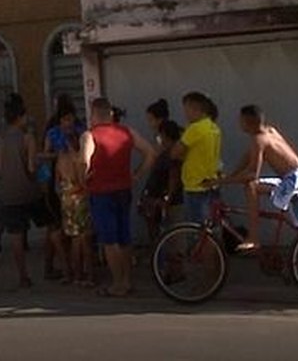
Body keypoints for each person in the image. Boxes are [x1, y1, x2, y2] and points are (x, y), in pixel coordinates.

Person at [207, 105, 298, 253]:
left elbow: (252, 174)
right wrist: (231, 175)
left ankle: (253, 238)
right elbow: (248, 156)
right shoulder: (270, 131)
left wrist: (221, 182)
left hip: (296, 181)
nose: (239, 124)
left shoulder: (258, 140)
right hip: (297, 178)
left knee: (252, 186)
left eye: (241, 121)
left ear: (248, 121)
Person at [81, 97, 156, 297]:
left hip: (101, 192)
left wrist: (83, 180)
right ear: (111, 114)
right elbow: (150, 153)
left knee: (109, 240)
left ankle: (117, 283)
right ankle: (127, 280)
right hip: (124, 189)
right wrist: (137, 175)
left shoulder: (90, 135)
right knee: (124, 237)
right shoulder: (127, 132)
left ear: (94, 114)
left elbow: (85, 162)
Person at [0, 93, 56, 288]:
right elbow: (31, 167)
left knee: (16, 236)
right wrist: (42, 164)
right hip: (29, 191)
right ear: (20, 117)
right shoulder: (27, 138)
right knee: (52, 225)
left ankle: (23, 276)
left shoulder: (1, 139)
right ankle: (49, 266)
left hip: (8, 193)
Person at [39, 105, 83, 280]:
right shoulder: (53, 134)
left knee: (70, 231)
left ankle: (69, 268)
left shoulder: (79, 132)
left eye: (71, 119)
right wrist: (59, 155)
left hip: (73, 186)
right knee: (58, 228)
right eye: (65, 119)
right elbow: (44, 155)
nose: (68, 123)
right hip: (58, 184)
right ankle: (62, 267)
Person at [171, 92, 222, 225]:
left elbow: (175, 153)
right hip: (211, 182)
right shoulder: (214, 127)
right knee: (212, 225)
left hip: (195, 185)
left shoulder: (195, 128)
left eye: (187, 110)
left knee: (195, 228)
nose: (185, 115)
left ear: (196, 109)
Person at [139, 99, 184, 243]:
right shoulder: (160, 141)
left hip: (166, 193)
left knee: (170, 232)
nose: (150, 124)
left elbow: (173, 173)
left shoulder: (171, 148)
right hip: (156, 189)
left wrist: (167, 197)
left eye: (151, 119)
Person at [56, 128, 93, 286]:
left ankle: (75, 274)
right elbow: (81, 183)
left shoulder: (60, 159)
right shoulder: (77, 159)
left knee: (73, 240)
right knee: (84, 241)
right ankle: (88, 275)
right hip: (79, 200)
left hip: (66, 200)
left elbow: (58, 183)